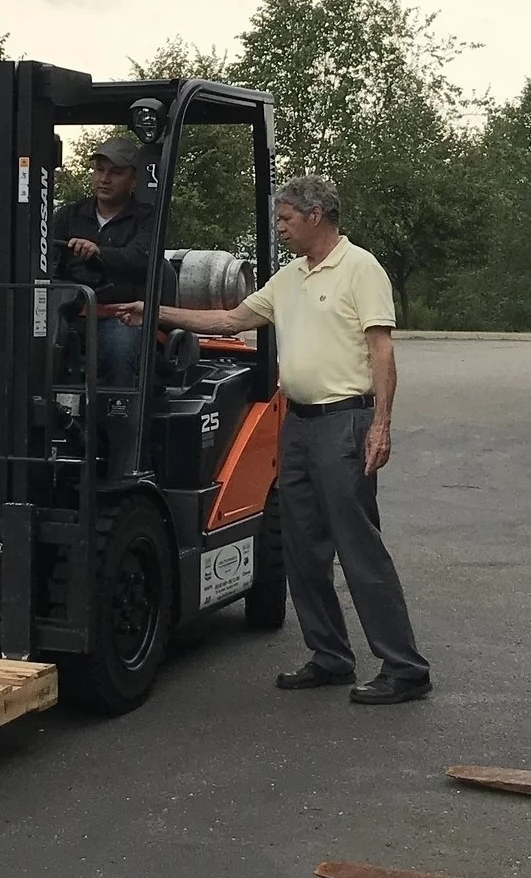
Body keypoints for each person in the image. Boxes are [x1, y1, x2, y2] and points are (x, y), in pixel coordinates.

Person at [114, 174, 432, 705]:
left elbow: (381, 350)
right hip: (299, 423)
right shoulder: (289, 277)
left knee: (358, 548)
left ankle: (405, 667)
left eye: (285, 218)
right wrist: (154, 313)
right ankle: (329, 655)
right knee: (302, 548)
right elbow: (231, 318)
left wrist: (382, 424)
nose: (279, 228)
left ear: (316, 216)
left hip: (344, 422)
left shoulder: (360, 268)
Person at [52, 135, 155, 387]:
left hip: (121, 316)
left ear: (133, 179)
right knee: (30, 341)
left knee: (120, 348)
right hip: (69, 312)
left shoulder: (147, 218)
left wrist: (98, 252)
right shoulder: (69, 215)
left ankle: (119, 420)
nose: (104, 179)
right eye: (99, 170)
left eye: (115, 173)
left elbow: (141, 259)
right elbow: (44, 258)